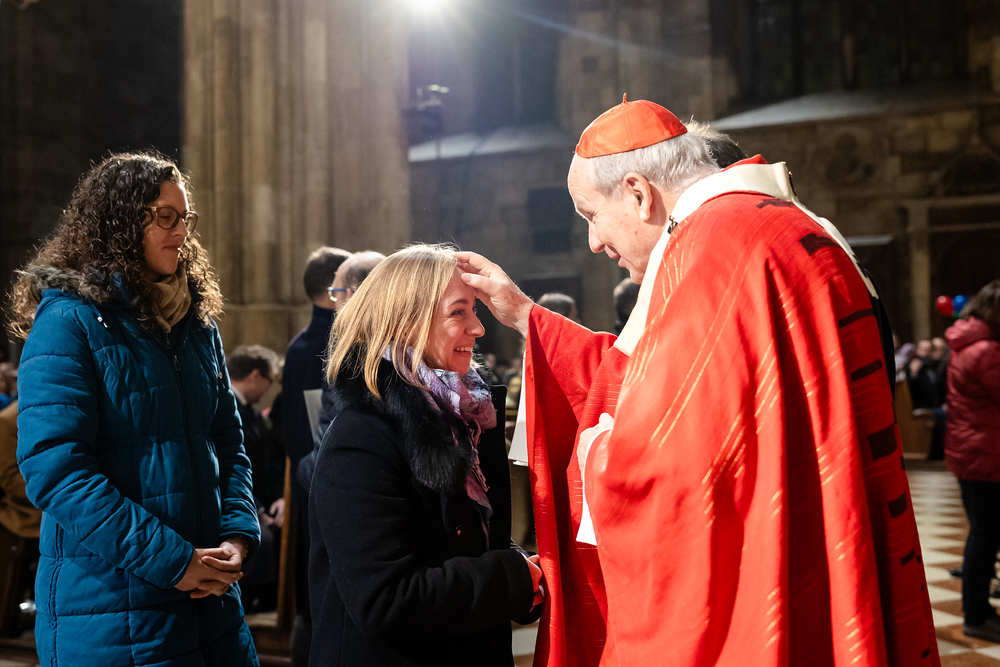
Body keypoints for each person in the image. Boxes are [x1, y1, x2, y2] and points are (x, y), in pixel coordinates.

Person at [459, 97, 938, 666]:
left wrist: (596, 451)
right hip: (825, 526)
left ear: (638, 194)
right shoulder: (769, 223)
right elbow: (642, 378)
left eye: (590, 215)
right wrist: (526, 316)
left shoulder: (711, 249)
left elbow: (668, 465)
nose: (593, 243)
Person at [9, 152, 259, 666]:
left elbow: (228, 442)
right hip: (113, 610)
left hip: (212, 601)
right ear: (120, 222)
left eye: (185, 217)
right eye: (165, 217)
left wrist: (236, 535)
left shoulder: (196, 324)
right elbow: (57, 472)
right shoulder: (69, 322)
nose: (181, 232)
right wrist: (173, 561)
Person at [309, 244, 543, 666]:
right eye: (458, 312)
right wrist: (512, 579)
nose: (478, 328)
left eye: (475, 310)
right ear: (406, 323)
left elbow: (461, 543)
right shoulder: (361, 438)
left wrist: (524, 572)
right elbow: (384, 599)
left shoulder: (463, 417)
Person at [281, 245, 350, 665]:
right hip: (326, 480)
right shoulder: (332, 344)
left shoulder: (298, 345)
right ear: (335, 288)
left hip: (309, 478)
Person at [943, 280, 1000, 642]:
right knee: (985, 534)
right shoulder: (987, 350)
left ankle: (978, 609)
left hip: (972, 450)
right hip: (985, 452)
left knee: (984, 531)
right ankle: (977, 615)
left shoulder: (966, 344)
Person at [227, 344, 285, 613]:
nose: (268, 388)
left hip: (258, 500)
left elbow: (267, 461)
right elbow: (229, 466)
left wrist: (277, 499)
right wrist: (259, 510)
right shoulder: (226, 405)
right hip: (238, 503)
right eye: (269, 380)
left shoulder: (250, 410)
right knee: (262, 542)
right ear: (254, 376)